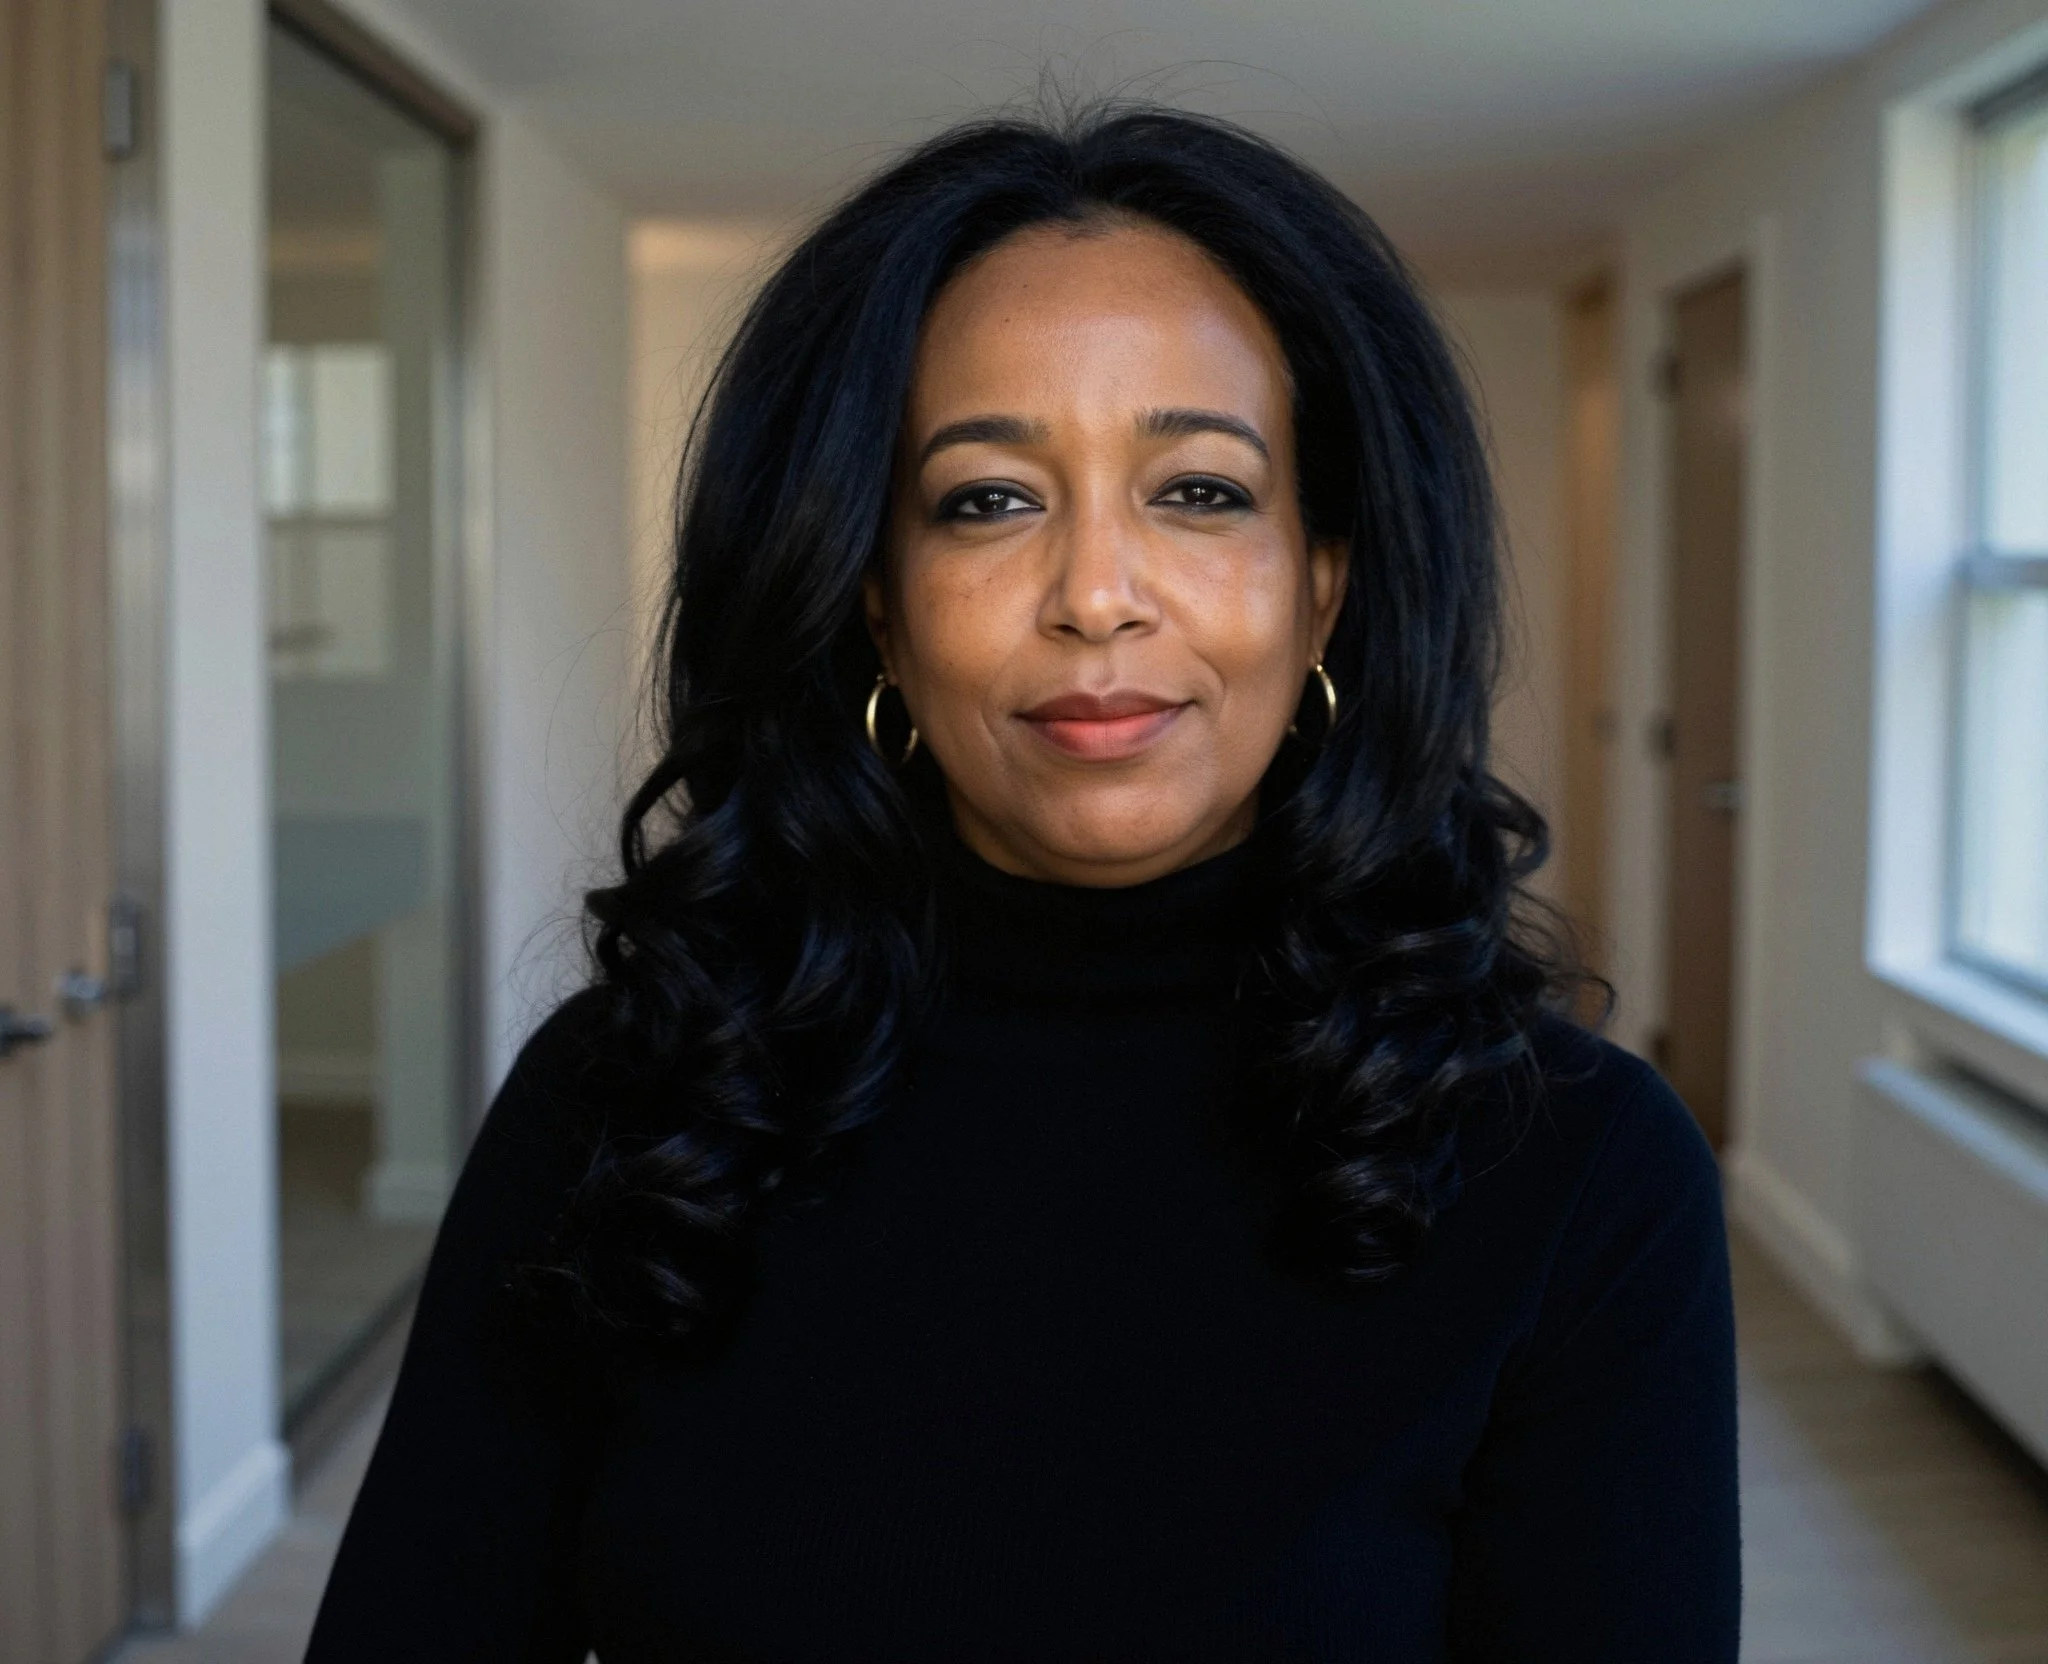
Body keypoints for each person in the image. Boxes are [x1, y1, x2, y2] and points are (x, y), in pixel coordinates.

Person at [307, 104, 1739, 1662]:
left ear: (1326, 578)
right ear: (875, 598)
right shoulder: (625, 1105)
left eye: (1199, 490)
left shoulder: (1578, 1170)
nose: (1096, 596)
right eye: (988, 500)